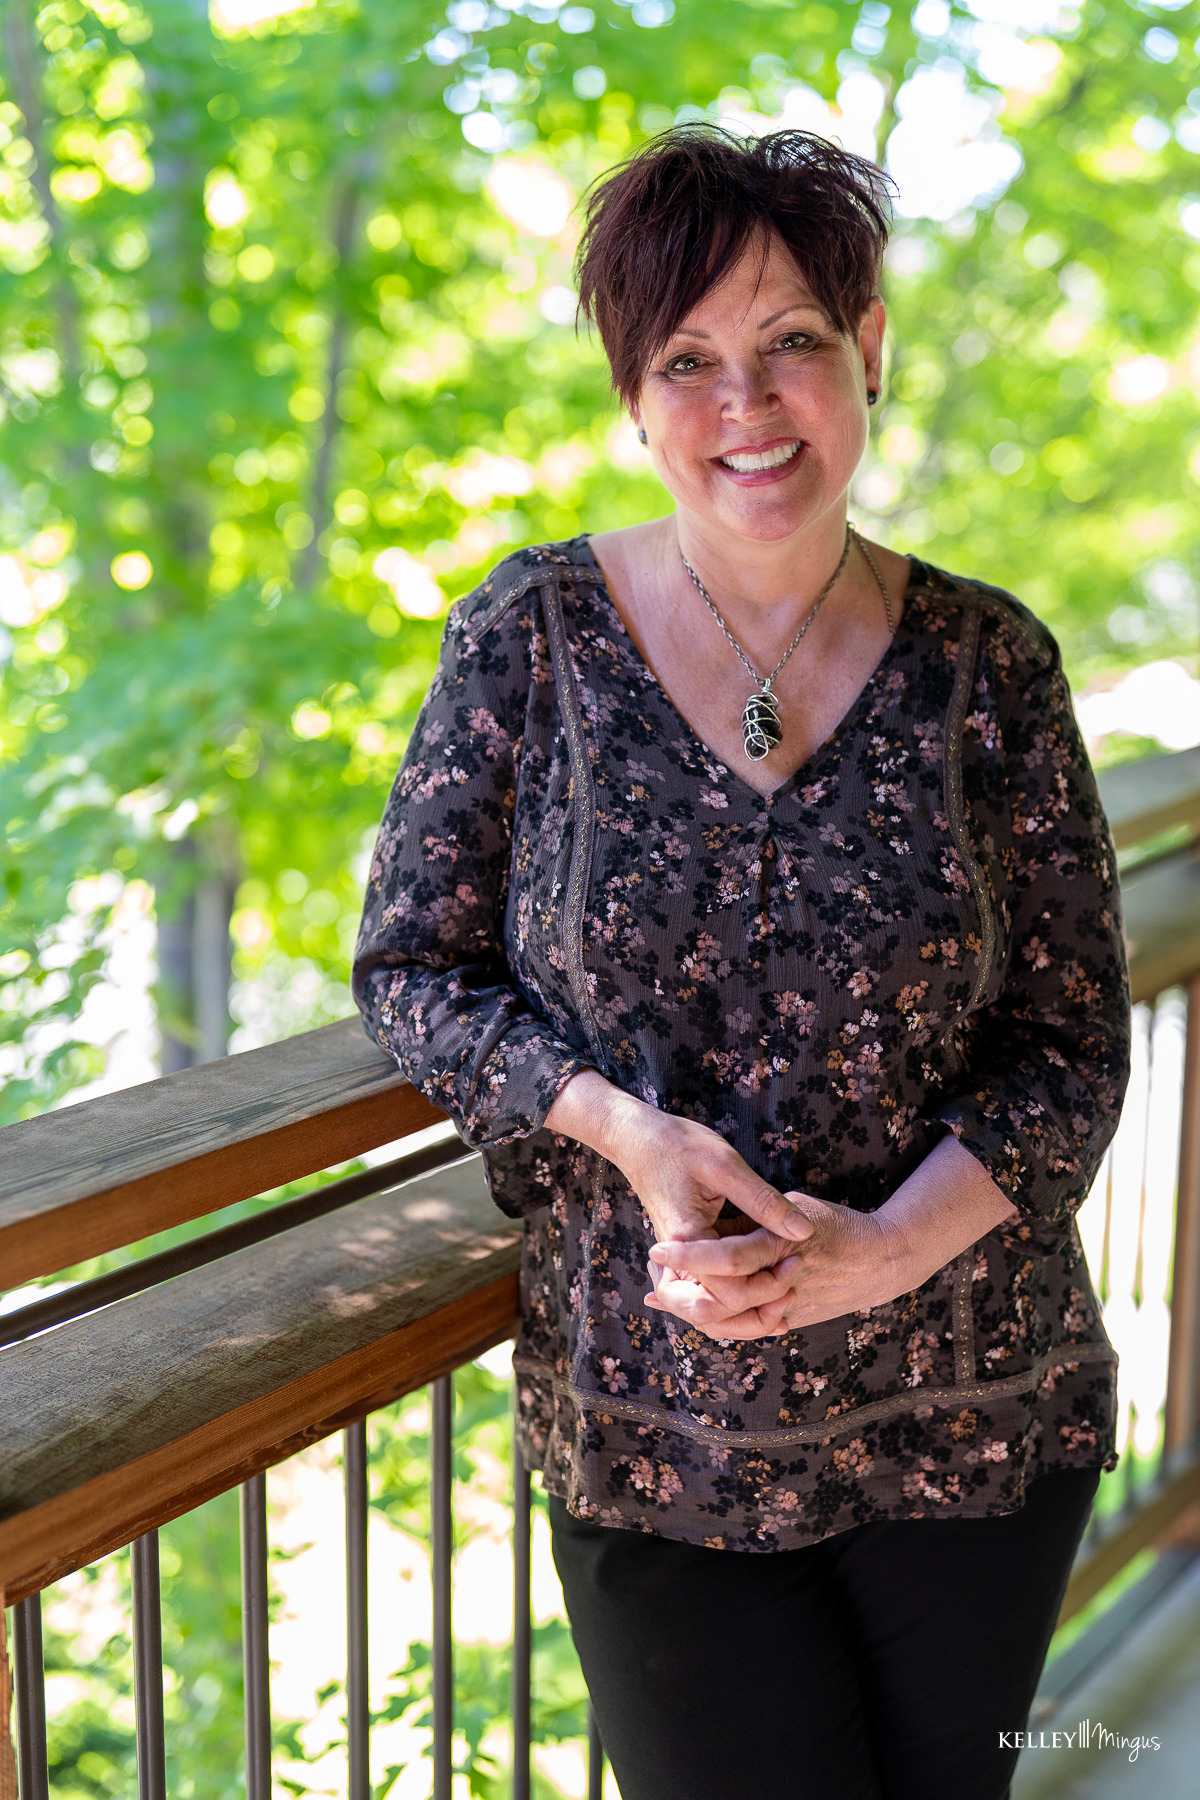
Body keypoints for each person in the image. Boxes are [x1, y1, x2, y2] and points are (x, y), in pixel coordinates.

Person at [353, 128, 1131, 1800]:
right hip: (656, 1430)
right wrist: (620, 1130)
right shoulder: (532, 639)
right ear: (636, 403)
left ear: (869, 351)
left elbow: (1072, 1042)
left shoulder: (992, 664)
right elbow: (408, 969)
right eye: (686, 360)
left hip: (979, 1411)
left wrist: (889, 1251)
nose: (746, 405)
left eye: (790, 342)